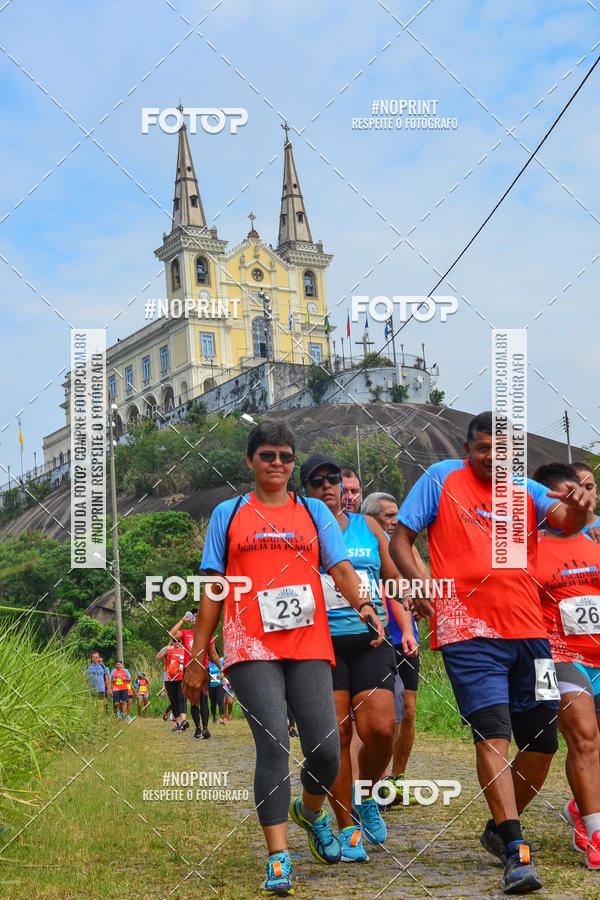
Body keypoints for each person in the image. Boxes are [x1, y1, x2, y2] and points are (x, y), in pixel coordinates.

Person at [391, 410, 594, 895]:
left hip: (532, 636)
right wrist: (424, 584)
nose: (493, 459)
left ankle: (498, 826)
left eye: (502, 451)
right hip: (468, 633)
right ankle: (515, 848)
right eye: (485, 449)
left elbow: (567, 519)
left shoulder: (526, 489)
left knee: (544, 742)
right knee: (493, 735)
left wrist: (583, 503)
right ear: (469, 447)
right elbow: (402, 538)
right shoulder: (442, 478)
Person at [182, 421, 385, 897]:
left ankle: (310, 814)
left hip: (308, 643)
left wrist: (365, 606)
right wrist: (197, 652)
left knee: (326, 748)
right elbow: (214, 585)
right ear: (251, 461)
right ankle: (278, 858)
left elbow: (339, 567)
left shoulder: (314, 512)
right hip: (249, 645)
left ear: (294, 464)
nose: (277, 464)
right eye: (268, 455)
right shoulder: (228, 514)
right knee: (273, 745)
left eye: (286, 457)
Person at [302, 453, 417, 862]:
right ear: (306, 491)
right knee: (339, 738)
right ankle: (348, 826)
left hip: (371, 639)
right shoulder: (301, 530)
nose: (328, 486)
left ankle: (366, 794)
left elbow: (392, 578)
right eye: (318, 481)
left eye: (334, 479)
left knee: (382, 728)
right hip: (322, 646)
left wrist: (404, 624)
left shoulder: (368, 527)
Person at [533, 462, 600, 869]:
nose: (572, 504)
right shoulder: (527, 547)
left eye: (577, 495)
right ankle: (596, 831)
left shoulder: (594, 540)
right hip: (558, 658)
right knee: (583, 738)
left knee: (595, 746)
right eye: (561, 498)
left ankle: (580, 807)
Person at [363, 491, 424, 801]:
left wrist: (423, 600)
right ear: (373, 518)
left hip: (407, 637)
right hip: (377, 637)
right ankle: (371, 781)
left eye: (397, 515)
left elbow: (425, 581)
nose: (395, 521)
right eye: (389, 516)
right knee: (385, 714)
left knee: (409, 711)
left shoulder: (405, 546)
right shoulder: (365, 546)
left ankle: (395, 780)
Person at [170, 611, 220, 739]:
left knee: (203, 700)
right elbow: (172, 635)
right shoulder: (186, 633)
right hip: (189, 670)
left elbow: (213, 655)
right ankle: (197, 729)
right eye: (193, 617)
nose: (194, 619)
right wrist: (182, 619)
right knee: (194, 702)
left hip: (203, 669)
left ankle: (205, 729)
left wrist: (222, 669)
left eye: (197, 617)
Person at [157, 639, 189, 732]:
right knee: (173, 701)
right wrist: (165, 649)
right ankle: (178, 724)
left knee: (181, 698)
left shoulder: (184, 650)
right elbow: (158, 657)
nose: (177, 643)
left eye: (179, 641)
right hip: (169, 679)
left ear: (181, 641)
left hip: (181, 679)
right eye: (174, 641)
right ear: (172, 641)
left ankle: (183, 721)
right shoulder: (168, 649)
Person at [572, 462, 600, 542]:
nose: (584, 492)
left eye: (589, 487)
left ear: (596, 490)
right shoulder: (549, 532)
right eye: (577, 487)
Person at [209, 652, 227, 725]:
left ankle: (222, 719)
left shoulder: (220, 662)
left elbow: (223, 673)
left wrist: (221, 676)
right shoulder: (208, 663)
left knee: (220, 701)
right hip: (211, 685)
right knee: (213, 703)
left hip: (219, 684)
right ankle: (214, 717)